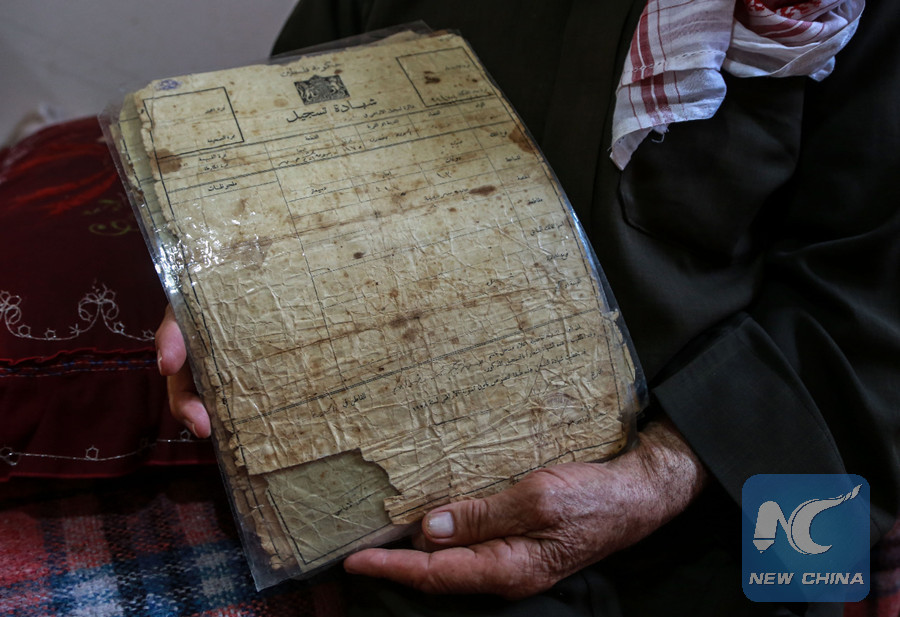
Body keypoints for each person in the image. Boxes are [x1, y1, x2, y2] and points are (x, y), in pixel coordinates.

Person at [156, 1, 900, 614]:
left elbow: (869, 308)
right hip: (405, 485)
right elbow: (277, 124)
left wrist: (661, 474)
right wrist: (222, 285)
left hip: (727, 494)